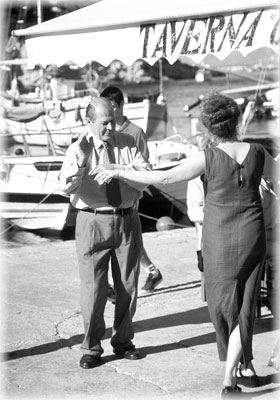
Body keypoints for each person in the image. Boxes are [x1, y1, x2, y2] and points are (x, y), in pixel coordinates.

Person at [94, 91, 279, 395]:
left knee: (223, 309)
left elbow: (164, 178)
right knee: (243, 307)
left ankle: (230, 377)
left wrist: (117, 170)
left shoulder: (207, 158)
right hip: (253, 236)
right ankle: (238, 371)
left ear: (208, 128)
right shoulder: (258, 152)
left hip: (218, 240)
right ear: (235, 122)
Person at [59, 97, 149, 369]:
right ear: (89, 122)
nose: (111, 126)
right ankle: (92, 347)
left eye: (113, 119)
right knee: (94, 290)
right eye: (104, 122)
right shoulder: (78, 148)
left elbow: (145, 175)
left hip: (126, 219)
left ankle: (123, 341)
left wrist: (117, 170)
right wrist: (83, 163)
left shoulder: (128, 142)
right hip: (92, 221)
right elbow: (65, 187)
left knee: (128, 287)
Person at [100, 86, 163, 293]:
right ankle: (149, 272)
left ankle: (126, 282)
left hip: (129, 194)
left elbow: (144, 167)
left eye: (111, 108)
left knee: (127, 237)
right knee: (121, 237)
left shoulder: (135, 132)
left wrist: (122, 171)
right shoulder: (100, 129)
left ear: (120, 106)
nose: (107, 114)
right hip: (105, 195)